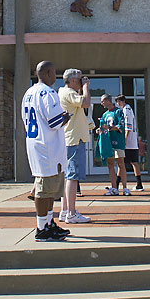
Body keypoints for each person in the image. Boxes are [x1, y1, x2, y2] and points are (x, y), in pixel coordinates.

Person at [22, 61, 71, 242]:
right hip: (47, 147)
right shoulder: (49, 93)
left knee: (49, 189)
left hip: (36, 143)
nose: (56, 77)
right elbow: (54, 122)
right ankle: (42, 228)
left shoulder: (28, 92)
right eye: (54, 73)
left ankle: (49, 223)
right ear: (49, 73)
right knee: (44, 190)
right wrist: (65, 118)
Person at [58, 69, 92, 224]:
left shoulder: (64, 93)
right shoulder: (69, 93)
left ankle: (65, 211)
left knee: (68, 176)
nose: (82, 81)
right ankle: (71, 213)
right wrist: (86, 87)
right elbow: (86, 103)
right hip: (73, 139)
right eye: (79, 79)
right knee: (72, 176)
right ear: (72, 80)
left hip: (71, 138)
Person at [97, 94, 129, 195]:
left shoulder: (118, 111)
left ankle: (125, 188)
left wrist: (110, 128)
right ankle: (114, 188)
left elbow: (121, 126)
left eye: (103, 101)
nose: (101, 103)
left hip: (118, 141)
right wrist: (100, 130)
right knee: (110, 164)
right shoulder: (104, 114)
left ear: (108, 101)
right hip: (108, 142)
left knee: (121, 163)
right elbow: (103, 126)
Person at [116, 95, 144, 189]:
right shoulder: (129, 109)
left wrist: (124, 140)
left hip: (129, 142)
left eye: (118, 102)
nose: (117, 104)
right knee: (134, 162)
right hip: (133, 142)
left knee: (121, 162)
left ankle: (116, 184)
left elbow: (128, 127)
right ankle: (139, 184)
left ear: (121, 101)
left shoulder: (126, 110)